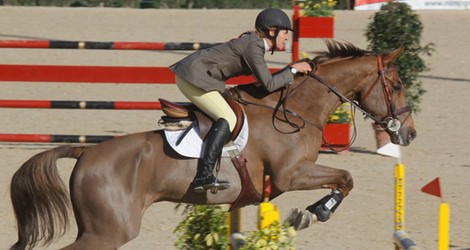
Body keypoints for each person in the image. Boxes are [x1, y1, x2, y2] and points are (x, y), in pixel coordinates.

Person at [169, 8, 312, 193]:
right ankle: (203, 175)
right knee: (229, 118)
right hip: (194, 78)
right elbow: (268, 84)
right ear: (272, 30)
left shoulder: (253, 42)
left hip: (202, 77)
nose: (286, 38)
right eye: (285, 33)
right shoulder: (254, 46)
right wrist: (292, 70)